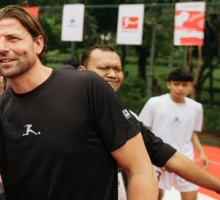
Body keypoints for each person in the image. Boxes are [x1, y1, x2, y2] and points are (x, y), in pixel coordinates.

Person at [0, 5, 157, 200]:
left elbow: (140, 170)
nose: (2, 48)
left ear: (38, 43)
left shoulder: (87, 87)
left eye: (13, 38)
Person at [78, 45, 220, 198]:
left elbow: (162, 152)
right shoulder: (62, 109)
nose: (112, 74)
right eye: (104, 68)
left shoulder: (126, 116)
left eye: (117, 69)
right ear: (82, 71)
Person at [139, 68, 209, 200]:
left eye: (184, 85)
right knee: (155, 195)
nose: (180, 88)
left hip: (185, 159)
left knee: (190, 196)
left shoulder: (196, 107)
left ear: (191, 86)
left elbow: (191, 133)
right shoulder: (154, 103)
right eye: (176, 84)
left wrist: (201, 153)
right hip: (158, 158)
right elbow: (144, 131)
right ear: (169, 84)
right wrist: (155, 156)